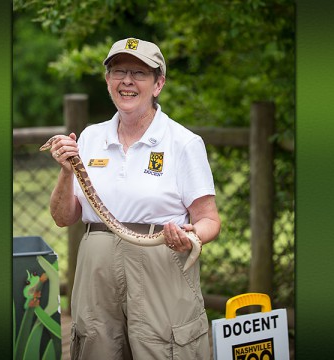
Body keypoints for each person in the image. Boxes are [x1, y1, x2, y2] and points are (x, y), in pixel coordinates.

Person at [46, 37, 221, 360]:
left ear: (158, 84)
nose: (127, 81)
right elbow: (62, 217)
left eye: (139, 73)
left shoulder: (183, 143)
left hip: (160, 259)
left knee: (163, 348)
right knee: (95, 346)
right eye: (118, 71)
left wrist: (191, 236)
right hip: (96, 265)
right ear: (108, 81)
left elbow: (209, 219)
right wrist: (67, 170)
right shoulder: (90, 137)